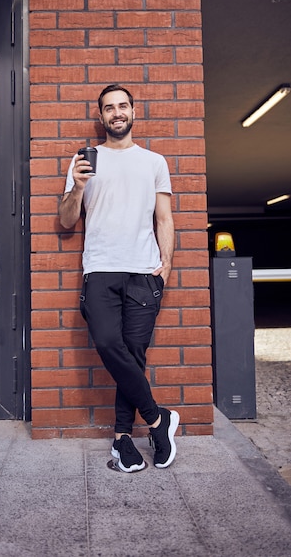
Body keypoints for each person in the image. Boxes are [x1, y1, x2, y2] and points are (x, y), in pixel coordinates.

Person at [59, 84, 179, 473]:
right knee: (111, 345)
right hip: (100, 269)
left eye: (122, 106)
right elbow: (65, 220)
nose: (116, 113)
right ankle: (159, 419)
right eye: (108, 108)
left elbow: (164, 218)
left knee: (133, 355)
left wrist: (167, 264)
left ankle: (121, 439)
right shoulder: (84, 161)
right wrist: (76, 187)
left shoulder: (154, 162)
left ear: (133, 112)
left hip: (144, 272)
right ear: (101, 117)